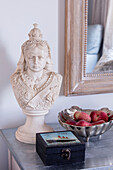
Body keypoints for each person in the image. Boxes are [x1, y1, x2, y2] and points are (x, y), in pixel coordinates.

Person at [11, 24, 62, 111]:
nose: (36, 62)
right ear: (25, 58)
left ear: (46, 58)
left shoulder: (55, 79)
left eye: (40, 57)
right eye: (31, 57)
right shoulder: (16, 79)